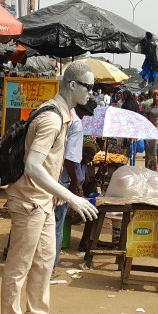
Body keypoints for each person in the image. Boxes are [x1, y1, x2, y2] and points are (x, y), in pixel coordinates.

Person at [1, 60, 98, 314]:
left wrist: (59, 195)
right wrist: (71, 196)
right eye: (88, 87)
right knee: (19, 266)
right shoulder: (52, 119)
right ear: (72, 85)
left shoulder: (64, 115)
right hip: (28, 201)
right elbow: (32, 166)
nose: (92, 93)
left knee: (44, 262)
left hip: (44, 201)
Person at [53, 98, 98, 276]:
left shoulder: (61, 116)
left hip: (53, 180)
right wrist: (74, 183)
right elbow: (70, 159)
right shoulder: (75, 123)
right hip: (62, 185)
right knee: (56, 226)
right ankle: (52, 266)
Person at [144, 90, 158, 173]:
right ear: (152, 96)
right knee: (151, 152)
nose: (156, 97)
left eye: (157, 95)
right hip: (151, 133)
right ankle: (150, 171)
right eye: (154, 95)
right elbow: (145, 120)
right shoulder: (148, 108)